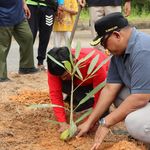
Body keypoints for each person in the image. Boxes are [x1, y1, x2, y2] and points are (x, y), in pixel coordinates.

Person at [76, 12, 150, 149]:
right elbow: (110, 88)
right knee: (118, 94)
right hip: (146, 96)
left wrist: (106, 122)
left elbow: (141, 97)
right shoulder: (118, 54)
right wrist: (90, 121)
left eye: (104, 43)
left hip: (144, 96)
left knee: (134, 122)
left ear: (117, 35)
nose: (105, 49)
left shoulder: (143, 49)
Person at [47, 46, 109, 132]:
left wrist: (89, 121)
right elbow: (55, 93)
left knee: (99, 107)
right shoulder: (55, 66)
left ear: (74, 62)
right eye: (61, 77)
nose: (63, 79)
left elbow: (100, 97)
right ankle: (78, 99)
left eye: (65, 75)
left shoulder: (94, 63)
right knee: (78, 105)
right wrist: (62, 122)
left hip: (99, 81)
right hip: (79, 81)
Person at [0, 0, 38, 82]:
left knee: (27, 37)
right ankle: (1, 75)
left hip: (18, 14)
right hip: (3, 16)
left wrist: (24, 3)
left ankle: (26, 67)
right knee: (3, 46)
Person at [26, 0, 63, 70]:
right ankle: (27, 64)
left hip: (49, 7)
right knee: (30, 35)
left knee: (45, 35)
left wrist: (60, 4)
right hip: (32, 5)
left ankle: (40, 62)